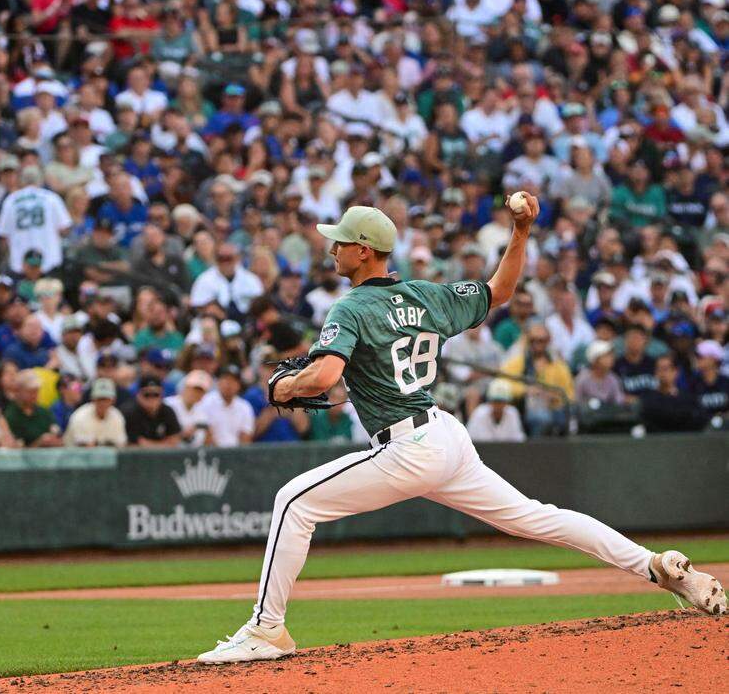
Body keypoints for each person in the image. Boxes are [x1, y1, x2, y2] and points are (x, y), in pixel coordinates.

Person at [197, 199, 724, 664]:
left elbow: (327, 376)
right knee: (539, 519)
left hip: (407, 445)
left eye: (340, 241)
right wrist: (520, 233)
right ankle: (656, 567)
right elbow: (501, 291)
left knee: (293, 501)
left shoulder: (351, 305)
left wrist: (285, 388)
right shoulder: (427, 295)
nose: (332, 248)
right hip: (445, 435)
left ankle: (266, 630)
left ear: (363, 250)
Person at [195, 365, 255, 447]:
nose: (228, 384)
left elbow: (245, 437)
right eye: (225, 379)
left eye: (233, 380)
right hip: (212, 452)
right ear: (218, 382)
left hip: (236, 454)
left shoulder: (245, 406)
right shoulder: (206, 401)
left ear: (239, 385)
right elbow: (206, 435)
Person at [63, 377, 128, 447]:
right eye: (99, 399)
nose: (103, 403)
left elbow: (121, 445)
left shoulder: (117, 417)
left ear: (113, 400)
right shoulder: (80, 416)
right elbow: (83, 447)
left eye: (106, 399)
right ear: (93, 399)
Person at [123, 376, 182, 446]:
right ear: (138, 395)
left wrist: (148, 444)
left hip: (164, 456)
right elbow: (132, 444)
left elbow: (174, 440)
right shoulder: (128, 412)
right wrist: (163, 445)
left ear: (162, 395)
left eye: (156, 394)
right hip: (136, 456)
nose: (152, 398)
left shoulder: (168, 411)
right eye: (147, 395)